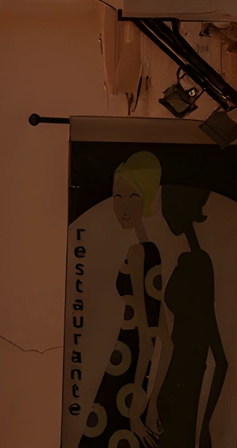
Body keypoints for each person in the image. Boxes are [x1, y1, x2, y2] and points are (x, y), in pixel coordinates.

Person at [79, 152, 164, 448]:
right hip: (130, 367)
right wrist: (149, 401)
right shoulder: (153, 252)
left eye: (133, 196)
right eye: (117, 195)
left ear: (147, 198)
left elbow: (149, 336)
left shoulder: (140, 253)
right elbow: (164, 338)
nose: (123, 206)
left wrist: (135, 407)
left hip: (125, 365)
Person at [146, 186, 229, 448]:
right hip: (175, 391)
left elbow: (220, 360)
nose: (165, 214)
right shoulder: (188, 260)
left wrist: (202, 427)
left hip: (184, 395)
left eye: (168, 207)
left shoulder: (198, 265)